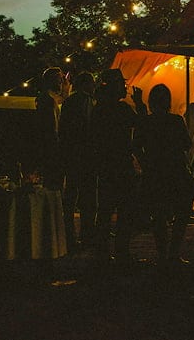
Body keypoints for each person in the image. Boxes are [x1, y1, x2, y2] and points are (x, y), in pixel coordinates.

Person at [135, 84, 194, 269]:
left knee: (158, 215)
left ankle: (162, 254)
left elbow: (136, 146)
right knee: (181, 213)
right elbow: (187, 144)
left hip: (154, 173)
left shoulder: (146, 122)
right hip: (175, 172)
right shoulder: (176, 121)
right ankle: (174, 253)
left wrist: (146, 164)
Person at [92, 69, 145, 266]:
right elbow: (142, 124)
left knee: (105, 211)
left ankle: (102, 253)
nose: (125, 88)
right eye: (122, 85)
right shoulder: (121, 109)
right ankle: (121, 252)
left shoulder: (98, 109)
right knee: (125, 210)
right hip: (121, 165)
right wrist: (140, 104)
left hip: (105, 166)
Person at [58, 71, 97, 249]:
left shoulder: (67, 102)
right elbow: (88, 127)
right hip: (85, 155)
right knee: (88, 198)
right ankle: (87, 235)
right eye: (92, 83)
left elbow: (63, 129)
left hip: (70, 155)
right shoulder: (86, 101)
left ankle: (68, 235)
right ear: (86, 85)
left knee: (70, 197)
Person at [31, 67, 69, 189]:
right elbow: (52, 129)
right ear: (50, 81)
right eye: (58, 80)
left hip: (48, 151)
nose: (60, 83)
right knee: (53, 188)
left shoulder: (46, 98)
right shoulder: (47, 100)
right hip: (51, 152)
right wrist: (57, 151)